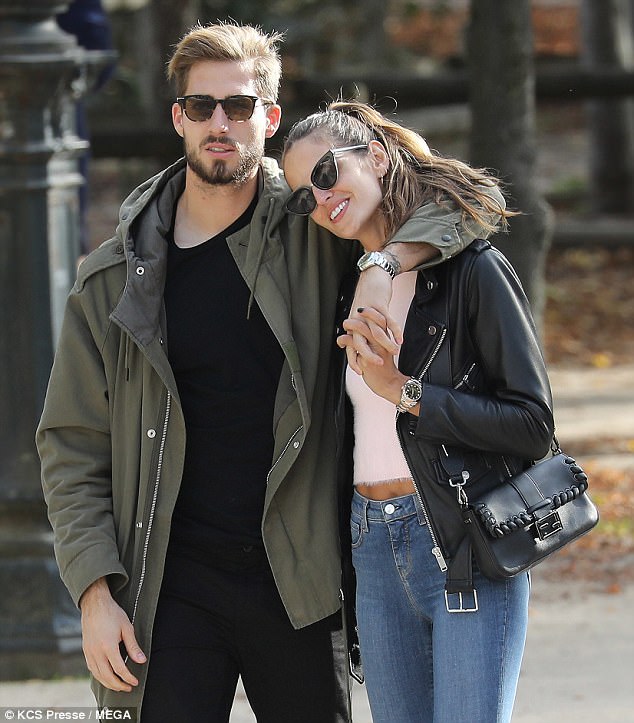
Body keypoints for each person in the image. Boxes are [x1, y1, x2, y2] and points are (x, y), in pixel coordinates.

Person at [35, 22, 488, 722]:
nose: (221, 123)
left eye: (240, 107)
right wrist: (95, 592)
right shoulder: (113, 280)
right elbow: (70, 446)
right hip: (168, 586)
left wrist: (384, 262)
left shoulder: (318, 225)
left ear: (270, 118)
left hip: (299, 578)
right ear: (177, 118)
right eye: (202, 107)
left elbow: (464, 204)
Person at [282, 101, 555, 723]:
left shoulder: (473, 272)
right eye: (304, 197)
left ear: (376, 156)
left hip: (457, 534)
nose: (321, 200)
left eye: (326, 174)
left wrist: (403, 390)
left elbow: (532, 424)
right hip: (370, 545)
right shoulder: (339, 282)